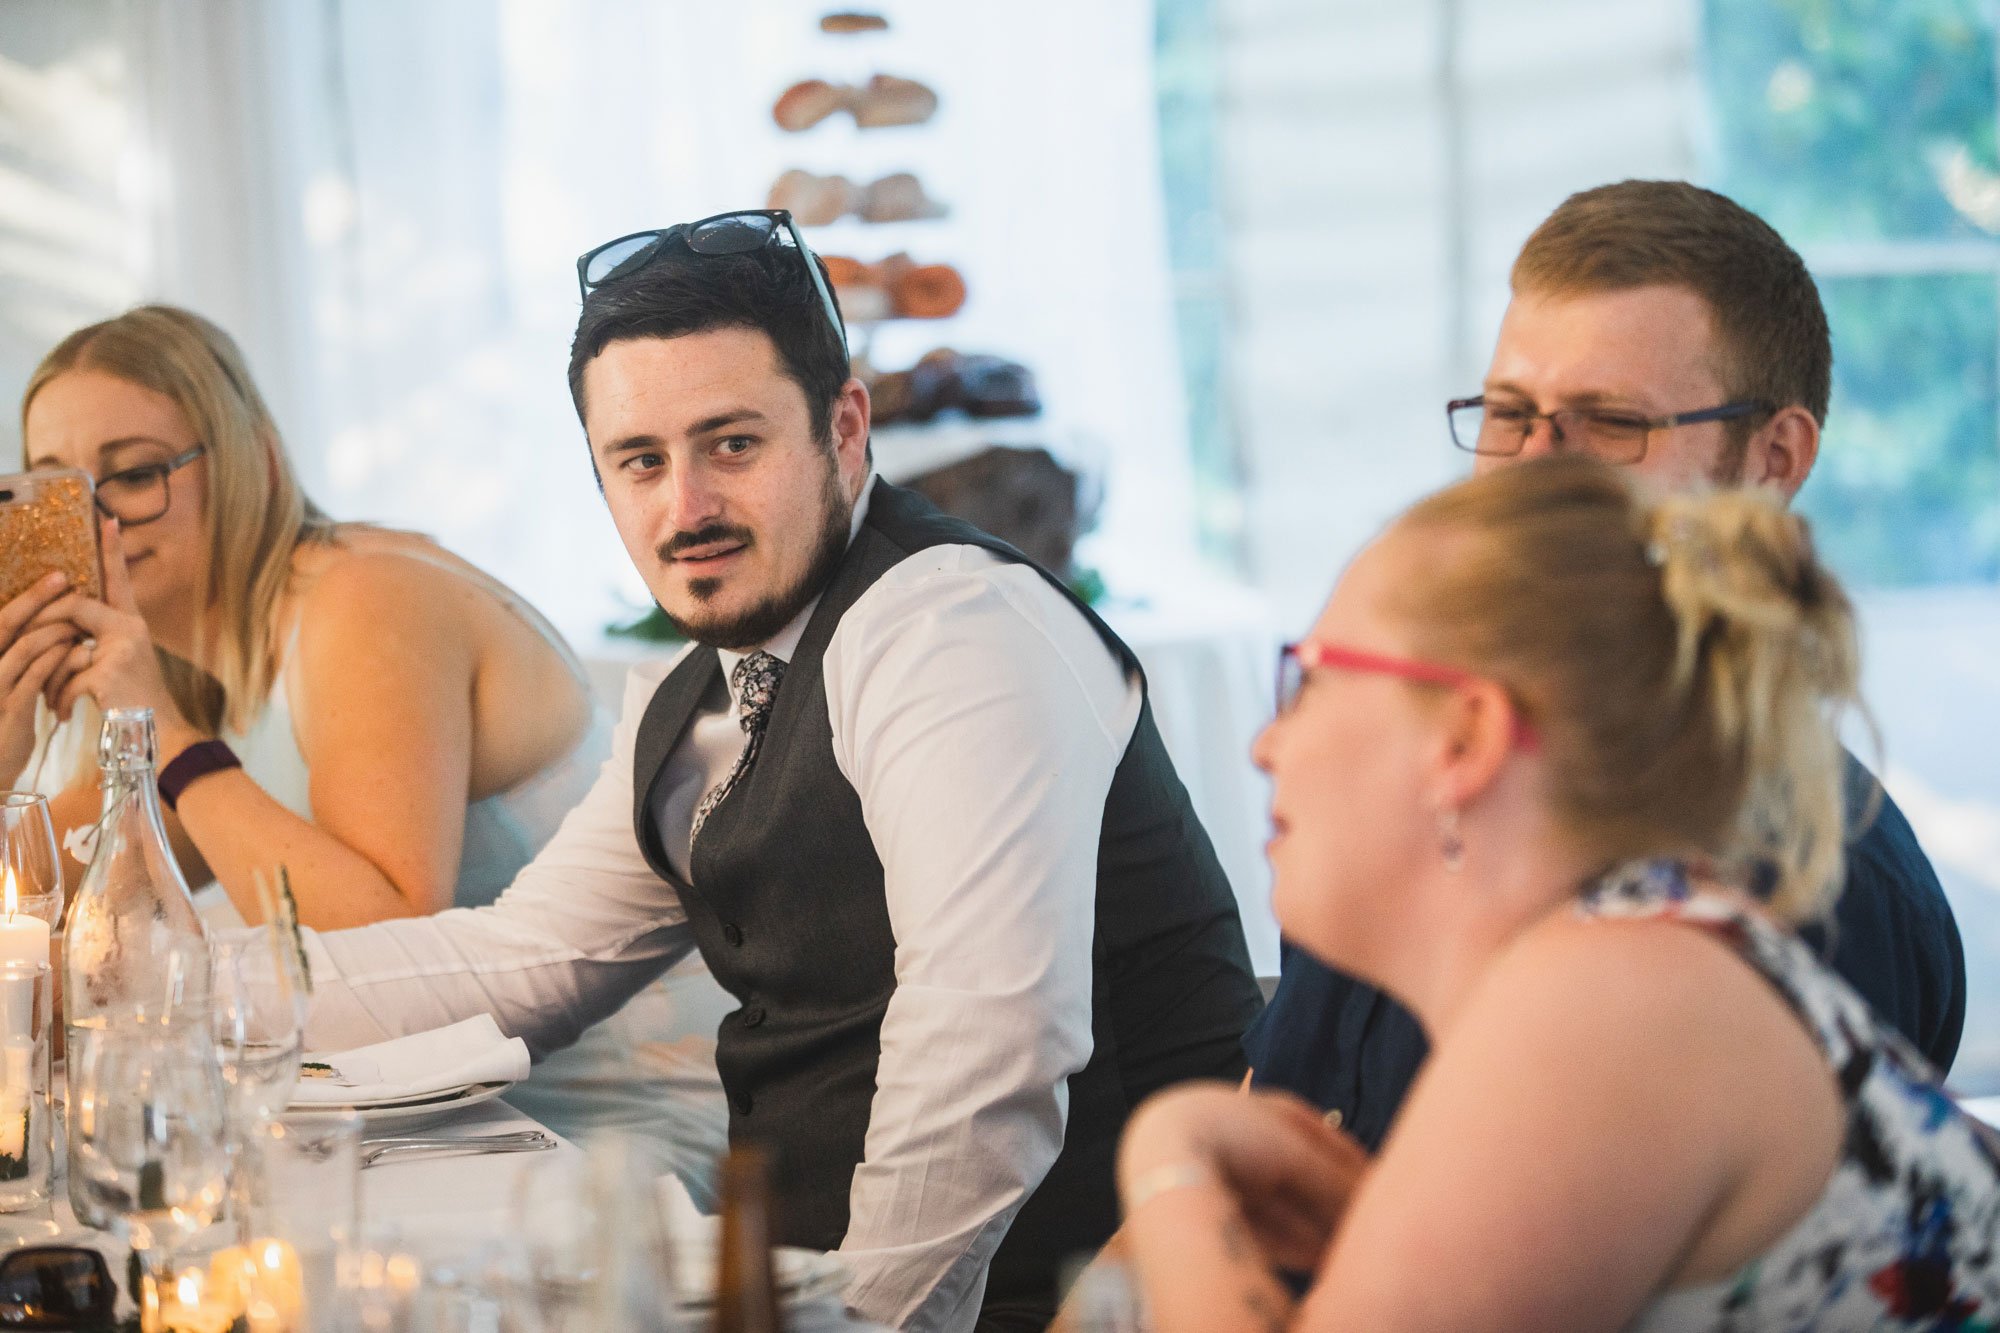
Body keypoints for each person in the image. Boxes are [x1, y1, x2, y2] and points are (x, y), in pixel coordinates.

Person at [277, 210, 1264, 1332]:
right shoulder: (704, 698)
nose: (682, 507)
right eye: (639, 461)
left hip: (1067, 1295)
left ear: (844, 429)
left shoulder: (944, 628)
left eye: (730, 444)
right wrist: (199, 993)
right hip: (793, 1284)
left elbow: (986, 1052)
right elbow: (518, 959)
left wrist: (860, 1323)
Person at [1106, 455, 2000, 1330]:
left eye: (1309, 678)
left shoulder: (1612, 1000)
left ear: (1466, 737)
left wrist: (1174, 1158)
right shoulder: (1622, 963)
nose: (1268, 745)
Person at [1246, 180, 1965, 1151]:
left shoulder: (1807, 890)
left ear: (1771, 459)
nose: (1533, 469)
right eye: (1508, 412)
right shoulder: (1422, 780)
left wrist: (1177, 1177)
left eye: (1609, 421)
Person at [2, 304, 727, 1186]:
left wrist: (170, 735)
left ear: (253, 462)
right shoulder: (195, 667)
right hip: (419, 1111)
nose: (98, 525)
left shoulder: (362, 597)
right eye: (58, 490)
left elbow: (388, 941)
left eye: (134, 473)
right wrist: (7, 753)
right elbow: (48, 927)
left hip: (610, 1128)